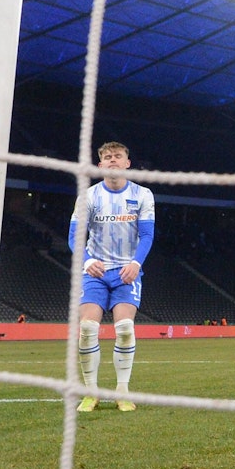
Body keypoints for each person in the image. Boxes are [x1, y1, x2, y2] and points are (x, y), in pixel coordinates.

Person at [70, 141, 155, 414]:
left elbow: (147, 235)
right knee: (87, 329)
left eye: (118, 156)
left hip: (126, 272)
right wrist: (87, 260)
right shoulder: (89, 197)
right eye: (107, 157)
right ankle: (90, 392)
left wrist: (135, 263)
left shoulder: (143, 195)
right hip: (95, 271)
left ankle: (122, 391)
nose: (113, 160)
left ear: (127, 163)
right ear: (100, 165)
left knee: (125, 328)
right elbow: (74, 236)